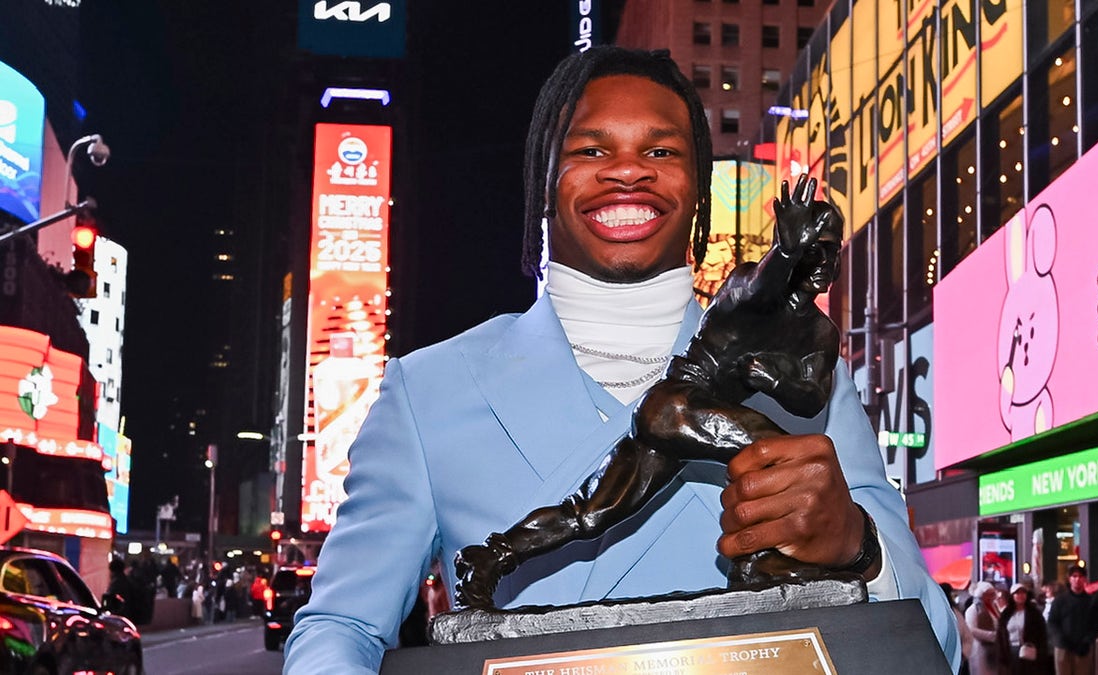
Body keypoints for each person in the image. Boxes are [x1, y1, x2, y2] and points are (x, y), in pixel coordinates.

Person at [284, 46, 959, 674]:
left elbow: (938, 641)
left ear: (699, 184)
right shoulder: (426, 390)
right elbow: (339, 626)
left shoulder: (802, 375)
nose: (628, 168)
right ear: (543, 178)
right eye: (590, 147)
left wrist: (858, 548)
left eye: (661, 149)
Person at [455, 173, 849, 602]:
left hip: (682, 423)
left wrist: (775, 379)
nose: (823, 263)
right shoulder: (746, 286)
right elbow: (761, 289)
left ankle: (489, 559)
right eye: (814, 250)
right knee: (777, 456)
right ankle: (757, 562)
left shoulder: (821, 334)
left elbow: (812, 397)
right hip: (674, 404)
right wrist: (785, 253)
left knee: (590, 513)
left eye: (832, 252)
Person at [1047, 565, 1098, 675]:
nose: (1077, 579)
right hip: (1063, 646)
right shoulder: (1060, 600)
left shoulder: (1091, 601)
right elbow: (1052, 622)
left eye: (1081, 576)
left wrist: (1087, 641)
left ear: (1085, 579)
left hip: (1083, 647)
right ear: (1069, 579)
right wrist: (1060, 639)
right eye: (1074, 576)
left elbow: (1096, 624)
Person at [996, 581, 1051, 674]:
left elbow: (1042, 634)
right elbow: (1000, 634)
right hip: (1011, 650)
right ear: (1012, 596)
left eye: (1023, 593)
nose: (1021, 595)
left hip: (1029, 651)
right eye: (1017, 593)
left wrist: (1041, 652)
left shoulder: (1034, 613)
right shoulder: (1006, 614)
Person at [967, 581, 1001, 675]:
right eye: (987, 594)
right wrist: (992, 636)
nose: (990, 597)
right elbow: (971, 630)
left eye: (992, 594)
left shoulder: (994, 607)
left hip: (995, 648)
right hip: (980, 649)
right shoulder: (973, 609)